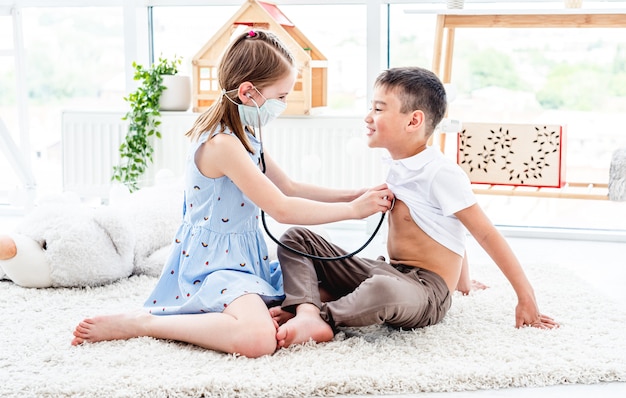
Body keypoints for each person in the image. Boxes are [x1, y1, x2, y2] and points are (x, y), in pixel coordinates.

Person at [71, 29, 393, 358]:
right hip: (213, 265)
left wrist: (357, 193)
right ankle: (143, 323)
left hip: (245, 257)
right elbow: (282, 208)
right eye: (281, 96)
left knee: (332, 288)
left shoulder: (248, 133)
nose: (283, 104)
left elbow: (291, 187)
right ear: (248, 92)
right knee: (258, 340)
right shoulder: (222, 144)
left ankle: (261, 308)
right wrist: (354, 210)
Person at [270, 66, 559, 348]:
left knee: (380, 290)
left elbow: (483, 233)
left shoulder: (440, 173)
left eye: (379, 109)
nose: (368, 117)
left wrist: (526, 296)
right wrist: (465, 281)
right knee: (297, 238)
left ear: (413, 121)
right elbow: (445, 224)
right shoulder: (397, 163)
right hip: (388, 271)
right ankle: (306, 311)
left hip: (426, 291)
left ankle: (322, 316)